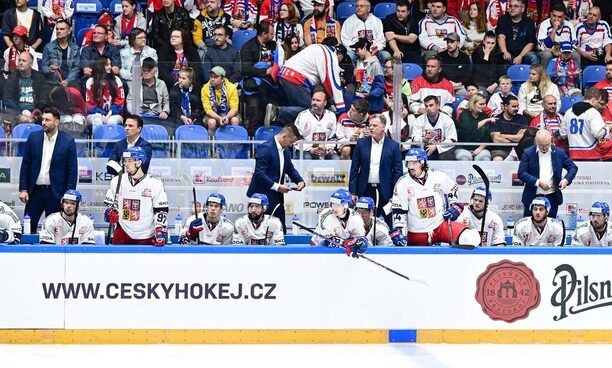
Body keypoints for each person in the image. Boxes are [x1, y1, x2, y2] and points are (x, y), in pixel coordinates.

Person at [390, 148, 481, 246]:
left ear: (423, 163)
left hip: (440, 226)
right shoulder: (403, 183)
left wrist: (454, 205)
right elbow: (399, 211)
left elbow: (452, 189)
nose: (410, 167)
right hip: (417, 232)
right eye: (408, 163)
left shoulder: (438, 176)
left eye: (414, 163)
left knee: (470, 238)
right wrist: (399, 230)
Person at [18, 107, 78, 230]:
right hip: (34, 192)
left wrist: (68, 196)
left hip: (56, 194)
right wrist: (23, 188)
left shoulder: (68, 141)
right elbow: (26, 165)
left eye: (47, 120)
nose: (43, 122)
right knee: (28, 229)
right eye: (43, 119)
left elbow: (72, 171)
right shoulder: (33, 138)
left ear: (56, 122)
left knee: (55, 230)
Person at [267, 38, 346, 126]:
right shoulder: (330, 54)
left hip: (284, 74)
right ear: (339, 55)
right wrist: (341, 108)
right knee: (312, 110)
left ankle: (293, 130)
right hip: (295, 77)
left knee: (298, 112)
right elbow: (332, 83)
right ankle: (277, 112)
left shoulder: (315, 47)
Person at [104, 147, 169, 246]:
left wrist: (160, 231)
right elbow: (110, 205)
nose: (126, 164)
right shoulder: (117, 181)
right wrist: (109, 213)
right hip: (122, 232)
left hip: (147, 234)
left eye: (129, 161)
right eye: (125, 161)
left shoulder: (154, 183)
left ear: (139, 163)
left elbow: (160, 211)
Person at [246, 124, 305, 231]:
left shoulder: (285, 149)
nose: (291, 145)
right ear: (284, 136)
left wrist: (299, 180)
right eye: (291, 142)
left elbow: (290, 168)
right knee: (259, 232)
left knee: (281, 230)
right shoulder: (265, 148)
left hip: (277, 198)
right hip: (260, 198)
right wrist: (277, 187)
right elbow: (260, 174)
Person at [349, 114, 403, 228]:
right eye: (370, 125)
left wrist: (396, 194)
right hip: (365, 189)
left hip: (386, 192)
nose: (371, 128)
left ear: (383, 127)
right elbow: (354, 168)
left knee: (388, 223)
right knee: (363, 223)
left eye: (374, 125)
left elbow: (398, 172)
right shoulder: (361, 144)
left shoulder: (393, 146)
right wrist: (353, 192)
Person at [518, 129, 578, 218]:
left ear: (551, 140)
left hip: (552, 197)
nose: (544, 147)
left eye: (546, 145)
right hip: (532, 196)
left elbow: (573, 167)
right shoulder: (528, 152)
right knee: (528, 226)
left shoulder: (559, 152)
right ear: (536, 141)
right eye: (541, 145)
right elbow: (521, 173)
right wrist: (538, 182)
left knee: (551, 227)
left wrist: (566, 180)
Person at [560, 87, 611, 160]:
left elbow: (563, 134)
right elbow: (599, 133)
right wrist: (608, 127)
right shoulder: (593, 112)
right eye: (598, 101)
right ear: (594, 99)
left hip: (574, 155)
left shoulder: (568, 112)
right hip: (591, 155)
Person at [293, 90, 345, 159]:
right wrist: (310, 149)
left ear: (325, 103)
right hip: (306, 150)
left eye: (318, 100)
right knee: (307, 158)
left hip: (324, 149)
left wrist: (329, 149)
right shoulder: (302, 115)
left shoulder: (331, 116)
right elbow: (296, 138)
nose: (314, 102)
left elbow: (333, 137)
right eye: (313, 100)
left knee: (336, 159)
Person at [126, 57, 172, 133]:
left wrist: (165, 112)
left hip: (157, 116)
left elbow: (166, 101)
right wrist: (134, 112)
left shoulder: (161, 83)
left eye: (149, 70)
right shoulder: (136, 83)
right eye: (144, 70)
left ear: (155, 70)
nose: (146, 73)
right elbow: (130, 100)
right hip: (141, 115)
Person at [3, 51, 49, 127]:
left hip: (36, 114)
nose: (20, 63)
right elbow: (7, 99)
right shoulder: (12, 77)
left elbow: (44, 99)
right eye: (19, 60)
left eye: (24, 61)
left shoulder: (40, 77)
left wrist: (35, 115)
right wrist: (19, 115)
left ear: (31, 63)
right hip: (16, 113)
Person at [410, 95, 458, 160]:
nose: (428, 108)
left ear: (438, 106)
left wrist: (436, 146)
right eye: (426, 106)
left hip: (443, 150)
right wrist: (423, 139)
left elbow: (452, 140)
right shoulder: (419, 120)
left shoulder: (447, 119)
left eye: (431, 105)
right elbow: (414, 138)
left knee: (445, 158)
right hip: (425, 148)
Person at [85, 56, 125, 130]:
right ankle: (97, 142)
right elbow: (90, 105)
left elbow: (119, 102)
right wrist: (101, 115)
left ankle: (112, 142)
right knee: (97, 121)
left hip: (114, 114)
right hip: (95, 114)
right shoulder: (90, 82)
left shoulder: (116, 80)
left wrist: (109, 114)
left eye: (110, 64)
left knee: (111, 122)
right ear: (100, 66)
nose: (110, 67)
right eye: (107, 65)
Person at [496, 0, 539, 65]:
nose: (512, 8)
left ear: (523, 9)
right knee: (504, 58)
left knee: (533, 57)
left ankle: (534, 75)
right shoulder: (503, 19)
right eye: (510, 6)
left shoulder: (529, 22)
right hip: (508, 53)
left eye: (516, 6)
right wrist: (505, 51)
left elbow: (531, 43)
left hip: (524, 54)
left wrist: (520, 56)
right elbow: (501, 37)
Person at [201, 66, 241, 137]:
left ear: (222, 79)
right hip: (212, 114)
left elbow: (234, 108)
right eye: (211, 77)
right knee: (211, 122)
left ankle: (234, 146)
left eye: (215, 77)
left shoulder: (231, 87)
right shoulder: (205, 89)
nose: (212, 79)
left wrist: (227, 117)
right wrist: (219, 118)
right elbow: (208, 110)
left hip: (229, 113)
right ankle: (212, 146)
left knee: (235, 120)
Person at [455, 93, 495, 161]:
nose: (483, 106)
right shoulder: (464, 115)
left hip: (481, 148)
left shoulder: (484, 116)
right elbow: (468, 129)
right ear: (473, 104)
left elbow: (488, 136)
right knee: (465, 158)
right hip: (463, 148)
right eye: (481, 104)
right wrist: (485, 121)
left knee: (485, 157)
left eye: (484, 104)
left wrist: (480, 148)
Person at [41, 19, 80, 88]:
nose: (59, 31)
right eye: (57, 29)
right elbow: (44, 66)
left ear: (69, 31)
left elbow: (76, 68)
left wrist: (67, 81)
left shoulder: (75, 48)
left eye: (62, 29)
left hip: (70, 82)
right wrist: (49, 69)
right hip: (52, 82)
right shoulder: (48, 47)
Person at [537, 3, 578, 68]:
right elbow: (544, 46)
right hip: (548, 51)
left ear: (564, 17)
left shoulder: (569, 25)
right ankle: (544, 77)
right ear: (550, 14)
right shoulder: (544, 24)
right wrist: (554, 29)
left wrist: (561, 51)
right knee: (547, 54)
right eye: (554, 16)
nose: (556, 19)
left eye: (559, 17)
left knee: (576, 55)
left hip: (565, 51)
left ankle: (575, 76)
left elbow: (574, 44)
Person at [489, 95, 529, 160]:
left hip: (517, 149)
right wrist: (514, 139)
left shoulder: (522, 119)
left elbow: (521, 137)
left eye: (517, 106)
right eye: (513, 106)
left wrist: (502, 135)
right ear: (505, 106)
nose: (516, 108)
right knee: (497, 159)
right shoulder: (496, 119)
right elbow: (496, 139)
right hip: (500, 150)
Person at [351, 37, 384, 113]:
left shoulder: (376, 65)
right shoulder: (359, 63)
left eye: (357, 50)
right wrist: (354, 76)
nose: (356, 53)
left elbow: (380, 87)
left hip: (373, 106)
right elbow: (355, 84)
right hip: (360, 105)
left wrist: (370, 94)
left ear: (365, 47)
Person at [383, 0, 421, 64]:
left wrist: (395, 35)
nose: (400, 14)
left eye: (403, 11)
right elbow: (390, 38)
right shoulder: (389, 19)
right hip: (393, 50)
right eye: (398, 11)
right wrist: (396, 50)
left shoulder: (413, 21)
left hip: (411, 50)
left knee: (418, 63)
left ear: (408, 12)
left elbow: (411, 39)